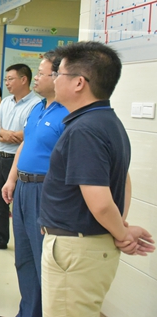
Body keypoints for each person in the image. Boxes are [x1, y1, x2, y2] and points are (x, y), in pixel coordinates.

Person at [39, 42, 154, 317]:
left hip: (77, 250)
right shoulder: (106, 121)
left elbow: (101, 203)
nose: (54, 80)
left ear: (79, 82)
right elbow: (123, 180)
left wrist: (122, 234)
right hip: (87, 245)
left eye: (58, 74)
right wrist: (120, 227)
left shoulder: (85, 129)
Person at [0, 51, 69, 317]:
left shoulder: (68, 113)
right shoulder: (38, 108)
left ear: (59, 76)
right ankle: (27, 311)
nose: (36, 78)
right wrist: (12, 178)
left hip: (46, 191)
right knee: (24, 257)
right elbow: (25, 144)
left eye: (41, 73)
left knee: (43, 259)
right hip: (24, 188)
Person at [0, 64, 40, 250]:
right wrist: (7, 134)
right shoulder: (6, 102)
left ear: (23, 79)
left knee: (20, 203)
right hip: (1, 156)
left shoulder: (36, 104)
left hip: (20, 159)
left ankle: (24, 241)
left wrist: (8, 134)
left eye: (10, 79)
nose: (6, 83)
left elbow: (30, 132)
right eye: (6, 79)